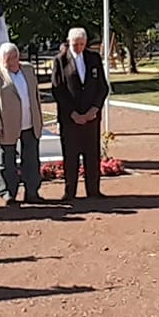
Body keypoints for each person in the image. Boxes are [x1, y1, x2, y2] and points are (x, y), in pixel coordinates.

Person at [0, 44, 44, 207]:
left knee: (31, 159)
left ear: (18, 56)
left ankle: (32, 192)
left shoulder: (28, 70)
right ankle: (8, 193)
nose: (10, 63)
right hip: (6, 125)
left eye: (13, 59)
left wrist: (39, 119)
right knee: (6, 161)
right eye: (6, 60)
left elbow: (35, 95)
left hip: (30, 122)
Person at [52, 26, 109, 201]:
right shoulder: (60, 61)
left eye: (82, 44)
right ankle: (70, 192)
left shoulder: (93, 58)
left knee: (92, 155)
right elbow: (58, 90)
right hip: (71, 119)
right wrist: (73, 113)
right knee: (71, 156)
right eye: (75, 44)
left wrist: (95, 109)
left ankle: (93, 191)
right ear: (69, 42)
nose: (78, 48)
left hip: (91, 118)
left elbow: (102, 87)